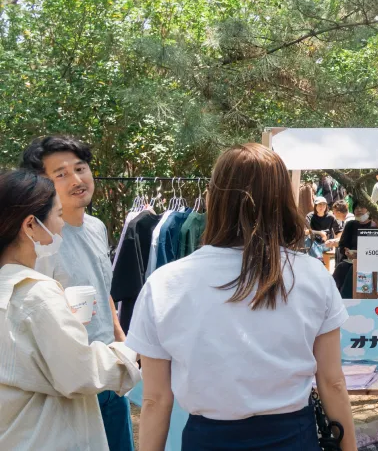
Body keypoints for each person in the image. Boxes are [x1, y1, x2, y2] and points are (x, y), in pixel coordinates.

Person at [126, 144, 356, 451]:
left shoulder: (165, 283)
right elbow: (332, 383)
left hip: (207, 440)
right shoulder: (313, 276)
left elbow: (155, 399)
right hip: (292, 437)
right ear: (282, 201)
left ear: (215, 198)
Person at [0, 170, 140, 450]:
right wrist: (131, 353)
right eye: (58, 215)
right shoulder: (37, 293)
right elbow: (80, 373)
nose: (62, 226)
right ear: (30, 225)